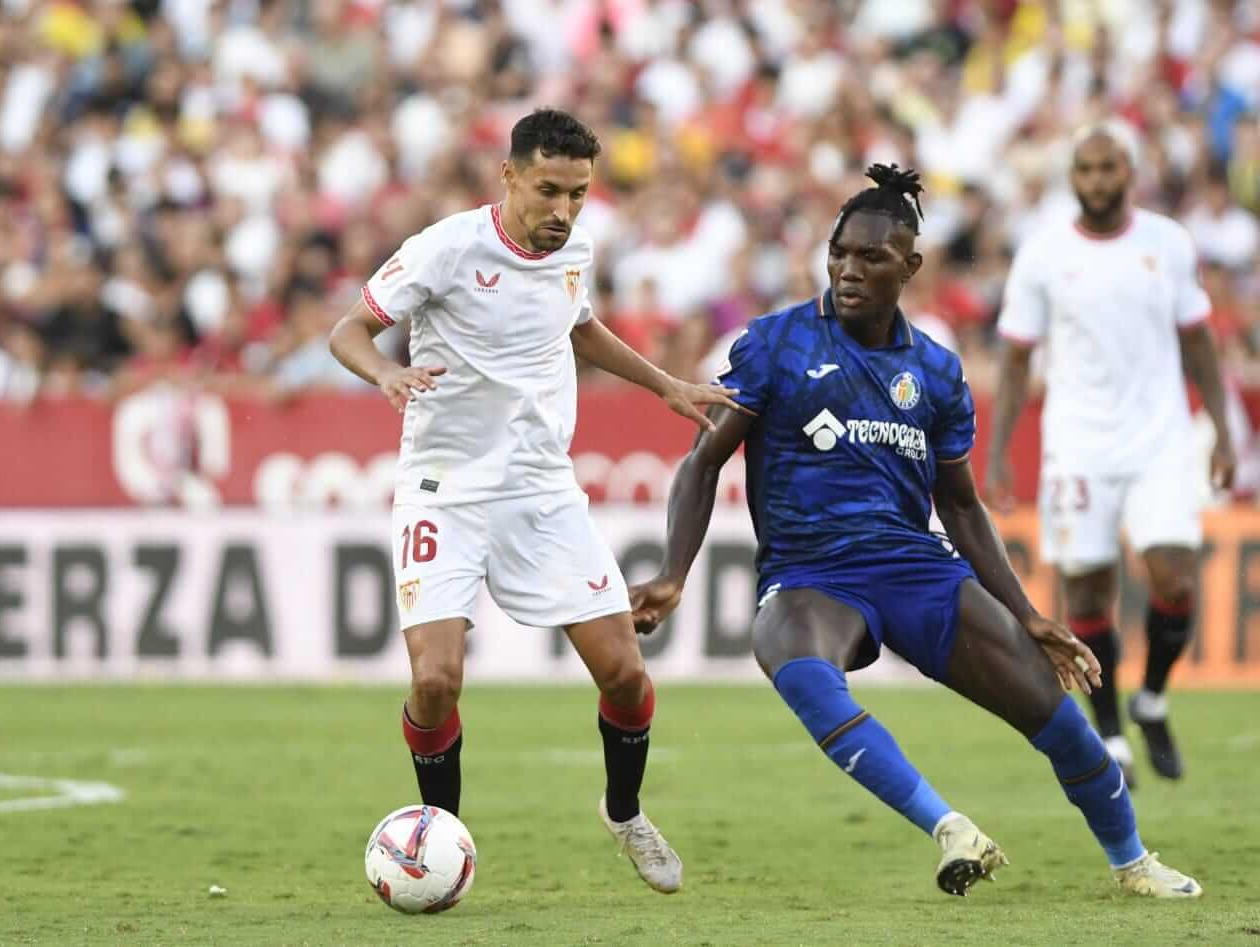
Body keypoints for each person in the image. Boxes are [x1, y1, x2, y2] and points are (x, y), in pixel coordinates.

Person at [629, 164, 1203, 898]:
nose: (848, 269)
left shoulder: (935, 371)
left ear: (911, 265)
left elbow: (960, 507)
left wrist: (1027, 615)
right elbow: (702, 462)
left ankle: (1133, 862)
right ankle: (947, 825)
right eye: (839, 252)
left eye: (871, 257)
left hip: (915, 569)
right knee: (791, 658)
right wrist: (676, 570)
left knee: (1054, 716)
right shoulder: (775, 344)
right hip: (810, 573)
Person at [329, 109, 742, 894]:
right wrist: (383, 373)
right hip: (444, 487)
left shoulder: (574, 248)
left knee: (624, 671)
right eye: (548, 190)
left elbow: (578, 327)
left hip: (540, 488)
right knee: (436, 681)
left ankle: (624, 811)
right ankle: (437, 839)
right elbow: (348, 329)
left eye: (578, 194)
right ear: (509, 175)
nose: (563, 210)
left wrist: (665, 384)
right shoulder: (444, 249)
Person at [987, 120, 1236, 787]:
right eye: (1086, 170)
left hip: (1160, 438)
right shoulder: (1042, 254)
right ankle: (1112, 729)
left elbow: (1199, 340)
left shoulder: (1169, 243)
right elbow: (1014, 357)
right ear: (1073, 178)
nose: (1098, 181)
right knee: (1090, 585)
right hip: (1078, 442)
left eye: (1109, 168)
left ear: (1130, 170)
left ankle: (1151, 695)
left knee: (1175, 577)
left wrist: (1224, 428)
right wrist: (1000, 450)